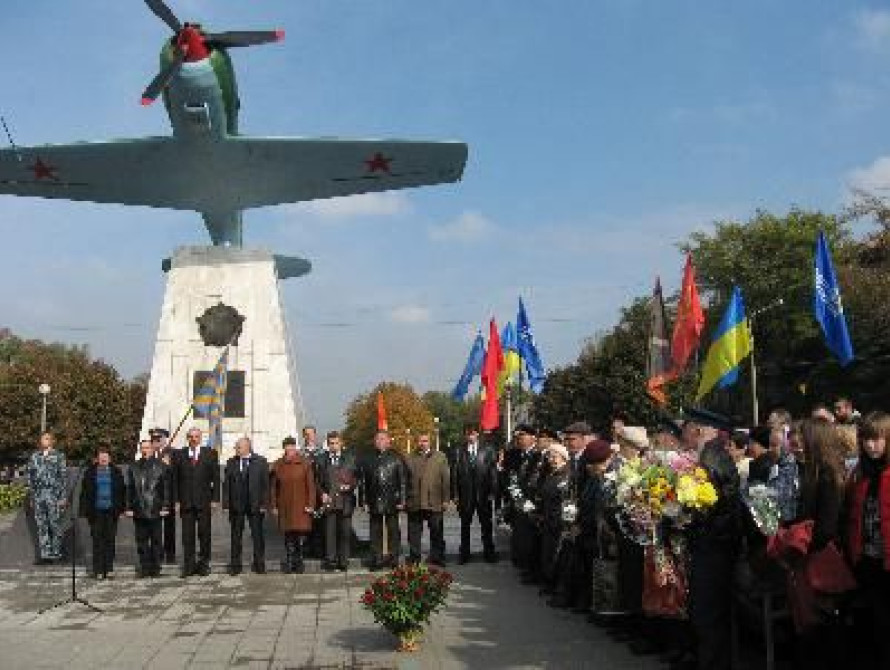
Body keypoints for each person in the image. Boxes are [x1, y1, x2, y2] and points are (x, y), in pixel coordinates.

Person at [790, 418, 847, 670]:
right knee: (812, 618)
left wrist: (802, 545)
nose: (798, 442)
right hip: (813, 552)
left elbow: (826, 525)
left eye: (803, 437)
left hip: (823, 557)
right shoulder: (812, 470)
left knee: (822, 618)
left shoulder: (826, 473)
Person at [686, 436, 742, 670]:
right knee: (705, 614)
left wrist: (697, 516)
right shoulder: (720, 495)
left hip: (713, 558)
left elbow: (720, 528)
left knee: (708, 615)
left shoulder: (722, 500)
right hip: (709, 555)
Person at [845, 411, 890, 669]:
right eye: (867, 439)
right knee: (878, 623)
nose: (871, 445)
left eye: (878, 439)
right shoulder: (860, 475)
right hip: (869, 560)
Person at [171, 427, 220, 578]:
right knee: (187, 536)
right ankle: (189, 566)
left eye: (196, 436)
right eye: (191, 437)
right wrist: (176, 500)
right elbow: (175, 479)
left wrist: (215, 499)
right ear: (187, 438)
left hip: (204, 502)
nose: (193, 439)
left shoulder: (210, 453)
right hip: (186, 502)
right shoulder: (179, 455)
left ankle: (204, 564)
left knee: (204, 535)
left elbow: (216, 478)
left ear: (200, 438)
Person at [452, 423, 499, 564]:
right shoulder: (459, 451)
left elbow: (493, 473)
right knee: (465, 526)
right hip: (466, 495)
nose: (470, 436)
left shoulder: (488, 450)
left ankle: (489, 552)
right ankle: (464, 554)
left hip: (483, 494)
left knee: (486, 525)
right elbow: (454, 473)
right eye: (467, 434)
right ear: (465, 435)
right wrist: (455, 494)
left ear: (477, 434)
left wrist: (493, 491)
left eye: (472, 433)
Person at [223, 437, 269, 575]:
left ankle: (259, 563)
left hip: (255, 505)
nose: (236, 449)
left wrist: (264, 503)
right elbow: (226, 485)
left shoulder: (261, 461)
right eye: (236, 447)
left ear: (247, 447)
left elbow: (265, 485)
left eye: (239, 447)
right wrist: (226, 504)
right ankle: (236, 565)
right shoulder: (231, 462)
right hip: (237, 505)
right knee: (236, 536)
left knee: (257, 536)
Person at [78, 446, 126, 579]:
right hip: (96, 511)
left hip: (111, 511)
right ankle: (98, 570)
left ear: (110, 458)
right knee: (97, 540)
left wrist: (122, 509)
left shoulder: (116, 471)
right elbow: (85, 492)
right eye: (101, 456)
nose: (104, 458)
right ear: (97, 458)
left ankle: (109, 568)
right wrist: (83, 510)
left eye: (106, 455)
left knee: (110, 540)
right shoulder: (89, 472)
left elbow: (122, 491)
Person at [271, 436, 316, 574]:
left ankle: (299, 561)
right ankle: (290, 561)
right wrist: (274, 505)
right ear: (284, 448)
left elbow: (311, 486)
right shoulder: (278, 464)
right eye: (287, 446)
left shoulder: (305, 463)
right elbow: (273, 487)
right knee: (288, 535)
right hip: (285, 505)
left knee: (300, 534)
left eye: (292, 446)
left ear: (295, 447)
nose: (289, 448)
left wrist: (311, 504)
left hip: (301, 505)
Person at [363, 430, 407, 570]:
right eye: (377, 439)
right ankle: (376, 559)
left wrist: (402, 500)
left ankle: (393, 559)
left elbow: (403, 481)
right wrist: (364, 501)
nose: (380, 441)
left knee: (393, 531)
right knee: (375, 531)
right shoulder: (368, 458)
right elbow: (364, 482)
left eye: (383, 439)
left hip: (392, 500)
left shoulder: (397, 458)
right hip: (374, 499)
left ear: (389, 441)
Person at [406, 432, 451, 566]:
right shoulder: (409, 458)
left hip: (435, 500)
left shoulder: (440, 457)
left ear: (429, 442)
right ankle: (415, 557)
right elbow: (405, 480)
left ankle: (437, 557)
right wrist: (404, 500)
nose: (423, 443)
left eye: (425, 441)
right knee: (414, 533)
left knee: (437, 531)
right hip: (415, 501)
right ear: (417, 442)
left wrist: (446, 499)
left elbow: (446, 479)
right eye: (420, 441)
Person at [127, 439, 170, 578]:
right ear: (140, 450)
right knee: (141, 541)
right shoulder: (133, 467)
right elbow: (130, 489)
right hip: (139, 508)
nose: (145, 450)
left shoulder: (161, 466)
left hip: (155, 509)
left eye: (147, 447)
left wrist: (165, 505)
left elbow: (166, 488)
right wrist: (128, 506)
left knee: (157, 540)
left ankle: (156, 567)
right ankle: (144, 567)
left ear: (152, 449)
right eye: (143, 448)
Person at [317, 431, 358, 571]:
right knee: (330, 533)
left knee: (344, 533)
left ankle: (343, 562)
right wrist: (321, 493)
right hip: (329, 502)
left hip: (345, 501)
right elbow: (316, 481)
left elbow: (357, 478)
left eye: (336, 443)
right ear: (328, 444)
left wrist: (351, 485)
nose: (333, 446)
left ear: (341, 443)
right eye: (331, 443)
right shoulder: (321, 459)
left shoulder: (350, 458)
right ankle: (331, 561)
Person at [538, 442, 572, 603]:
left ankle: (561, 591)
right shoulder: (551, 474)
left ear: (563, 458)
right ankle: (550, 584)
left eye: (554, 456)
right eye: (549, 456)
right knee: (548, 554)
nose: (551, 459)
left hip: (560, 522)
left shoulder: (566, 475)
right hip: (548, 521)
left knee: (559, 557)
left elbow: (568, 502)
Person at [27, 432, 68, 565]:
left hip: (53, 495)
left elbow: (63, 477)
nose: (45, 441)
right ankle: (45, 555)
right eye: (43, 438)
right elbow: (30, 477)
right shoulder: (35, 456)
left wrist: (62, 497)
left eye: (48, 438)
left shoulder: (58, 456)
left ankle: (56, 553)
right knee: (41, 525)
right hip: (39, 495)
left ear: (52, 441)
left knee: (54, 524)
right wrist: (32, 497)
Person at [151, 428, 177, 565]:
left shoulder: (172, 453)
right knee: (155, 528)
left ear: (165, 439)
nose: (155, 441)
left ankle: (170, 554)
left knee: (169, 527)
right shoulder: (150, 454)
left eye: (158, 439)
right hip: (154, 498)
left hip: (169, 496)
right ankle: (157, 554)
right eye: (153, 439)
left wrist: (169, 466)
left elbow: (178, 474)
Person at [301, 425, 326, 558]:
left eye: (311, 434)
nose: (309, 436)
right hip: (305, 491)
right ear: (303, 436)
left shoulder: (323, 453)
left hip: (319, 490)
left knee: (320, 521)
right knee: (306, 521)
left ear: (315, 435)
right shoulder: (300, 453)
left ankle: (319, 549)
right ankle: (307, 549)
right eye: (306, 434)